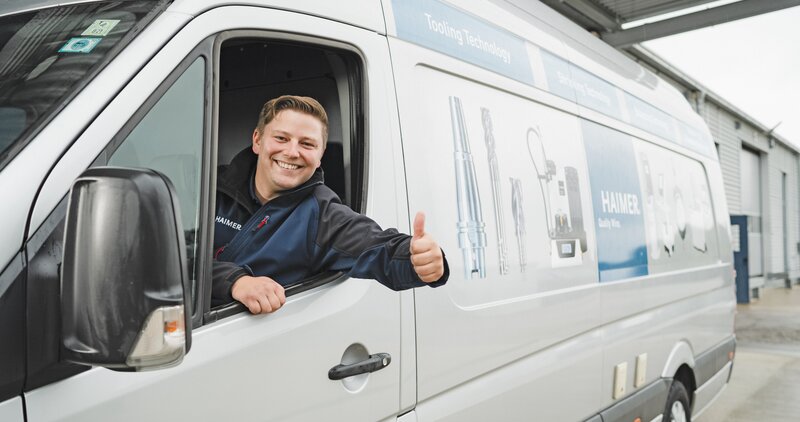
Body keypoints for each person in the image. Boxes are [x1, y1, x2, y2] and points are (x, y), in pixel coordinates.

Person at [212, 95, 449, 314]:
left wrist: (418, 260)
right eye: (281, 138)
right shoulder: (211, 187)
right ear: (257, 140)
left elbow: (379, 248)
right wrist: (234, 281)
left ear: (320, 154)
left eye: (307, 144)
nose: (292, 152)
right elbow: (178, 265)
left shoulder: (323, 215)